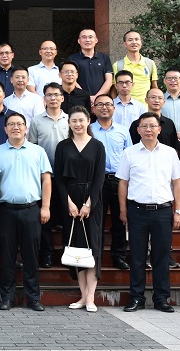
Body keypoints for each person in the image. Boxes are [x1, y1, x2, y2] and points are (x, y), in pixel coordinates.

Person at [118, 112, 180, 313]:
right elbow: (123, 183)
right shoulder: (129, 153)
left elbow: (177, 183)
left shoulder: (169, 153)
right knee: (137, 256)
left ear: (159, 129)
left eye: (152, 126)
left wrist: (178, 211)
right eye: (144, 126)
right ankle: (136, 298)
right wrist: (123, 210)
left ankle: (161, 298)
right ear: (138, 130)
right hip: (137, 210)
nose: (148, 130)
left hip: (163, 211)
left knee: (161, 256)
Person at [0, 112, 52, 312]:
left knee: (31, 256)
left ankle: (33, 298)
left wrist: (45, 207)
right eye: (11, 124)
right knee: (7, 256)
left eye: (20, 124)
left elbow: (46, 180)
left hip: (31, 210)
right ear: (5, 129)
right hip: (5, 211)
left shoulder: (38, 151)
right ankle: (6, 297)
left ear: (26, 128)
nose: (16, 127)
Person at [54, 106, 106, 313]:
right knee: (76, 249)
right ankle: (83, 295)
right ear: (69, 123)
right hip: (70, 202)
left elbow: (100, 178)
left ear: (88, 122)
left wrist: (89, 204)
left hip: (92, 201)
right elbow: (58, 177)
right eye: (73, 121)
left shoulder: (97, 146)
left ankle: (91, 297)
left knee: (92, 248)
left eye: (81, 120)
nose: (77, 124)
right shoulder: (62, 146)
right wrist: (68, 202)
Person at [27, 82, 69, 268]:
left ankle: (68, 253)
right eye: (49, 95)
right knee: (45, 218)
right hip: (43, 177)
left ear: (62, 98)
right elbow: (32, 147)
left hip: (66, 176)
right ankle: (47, 254)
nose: (53, 98)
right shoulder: (36, 121)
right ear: (44, 99)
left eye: (56, 94)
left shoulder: (70, 119)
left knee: (67, 217)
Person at [90, 94, 132, 270]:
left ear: (114, 108)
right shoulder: (89, 130)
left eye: (108, 104)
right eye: (100, 104)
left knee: (120, 219)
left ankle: (119, 256)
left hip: (119, 180)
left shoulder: (123, 130)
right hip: (96, 181)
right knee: (96, 221)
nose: (104, 107)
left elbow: (129, 156)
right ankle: (96, 256)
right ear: (94, 109)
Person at [67, 29, 113, 105]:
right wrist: (85, 96)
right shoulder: (72, 59)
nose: (87, 40)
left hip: (101, 102)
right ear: (79, 41)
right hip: (79, 99)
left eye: (90, 37)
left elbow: (109, 80)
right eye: (84, 37)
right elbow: (71, 80)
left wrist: (97, 97)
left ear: (96, 40)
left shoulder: (104, 58)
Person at [129, 88, 180, 153]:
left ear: (164, 102)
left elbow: (175, 146)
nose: (156, 100)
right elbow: (131, 146)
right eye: (153, 97)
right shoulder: (137, 124)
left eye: (160, 98)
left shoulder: (169, 123)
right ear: (146, 100)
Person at [115, 30, 158, 104]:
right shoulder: (118, 65)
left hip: (146, 107)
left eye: (137, 39)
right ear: (125, 44)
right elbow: (114, 89)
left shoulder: (150, 63)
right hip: (126, 106)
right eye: (130, 40)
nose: (134, 42)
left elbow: (154, 87)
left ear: (141, 42)